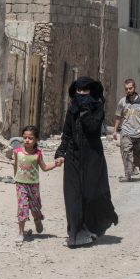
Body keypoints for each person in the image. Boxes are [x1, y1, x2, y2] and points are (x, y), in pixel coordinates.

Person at [54, 77, 118, 248]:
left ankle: (93, 226)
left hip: (93, 157)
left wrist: (85, 111)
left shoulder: (98, 109)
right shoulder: (71, 110)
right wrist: (61, 151)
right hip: (73, 156)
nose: (82, 94)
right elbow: (67, 133)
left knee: (91, 194)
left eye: (85, 91)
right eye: (79, 91)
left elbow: (92, 128)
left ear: (91, 91)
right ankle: (75, 233)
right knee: (72, 195)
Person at [12, 125, 59, 243]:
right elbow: (15, 167)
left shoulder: (38, 154)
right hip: (21, 184)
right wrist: (16, 179)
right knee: (22, 208)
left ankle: (37, 219)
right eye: (25, 137)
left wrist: (55, 164)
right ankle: (20, 233)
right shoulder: (17, 152)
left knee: (35, 208)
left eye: (30, 138)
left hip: (33, 185)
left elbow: (44, 167)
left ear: (36, 140)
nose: (27, 140)